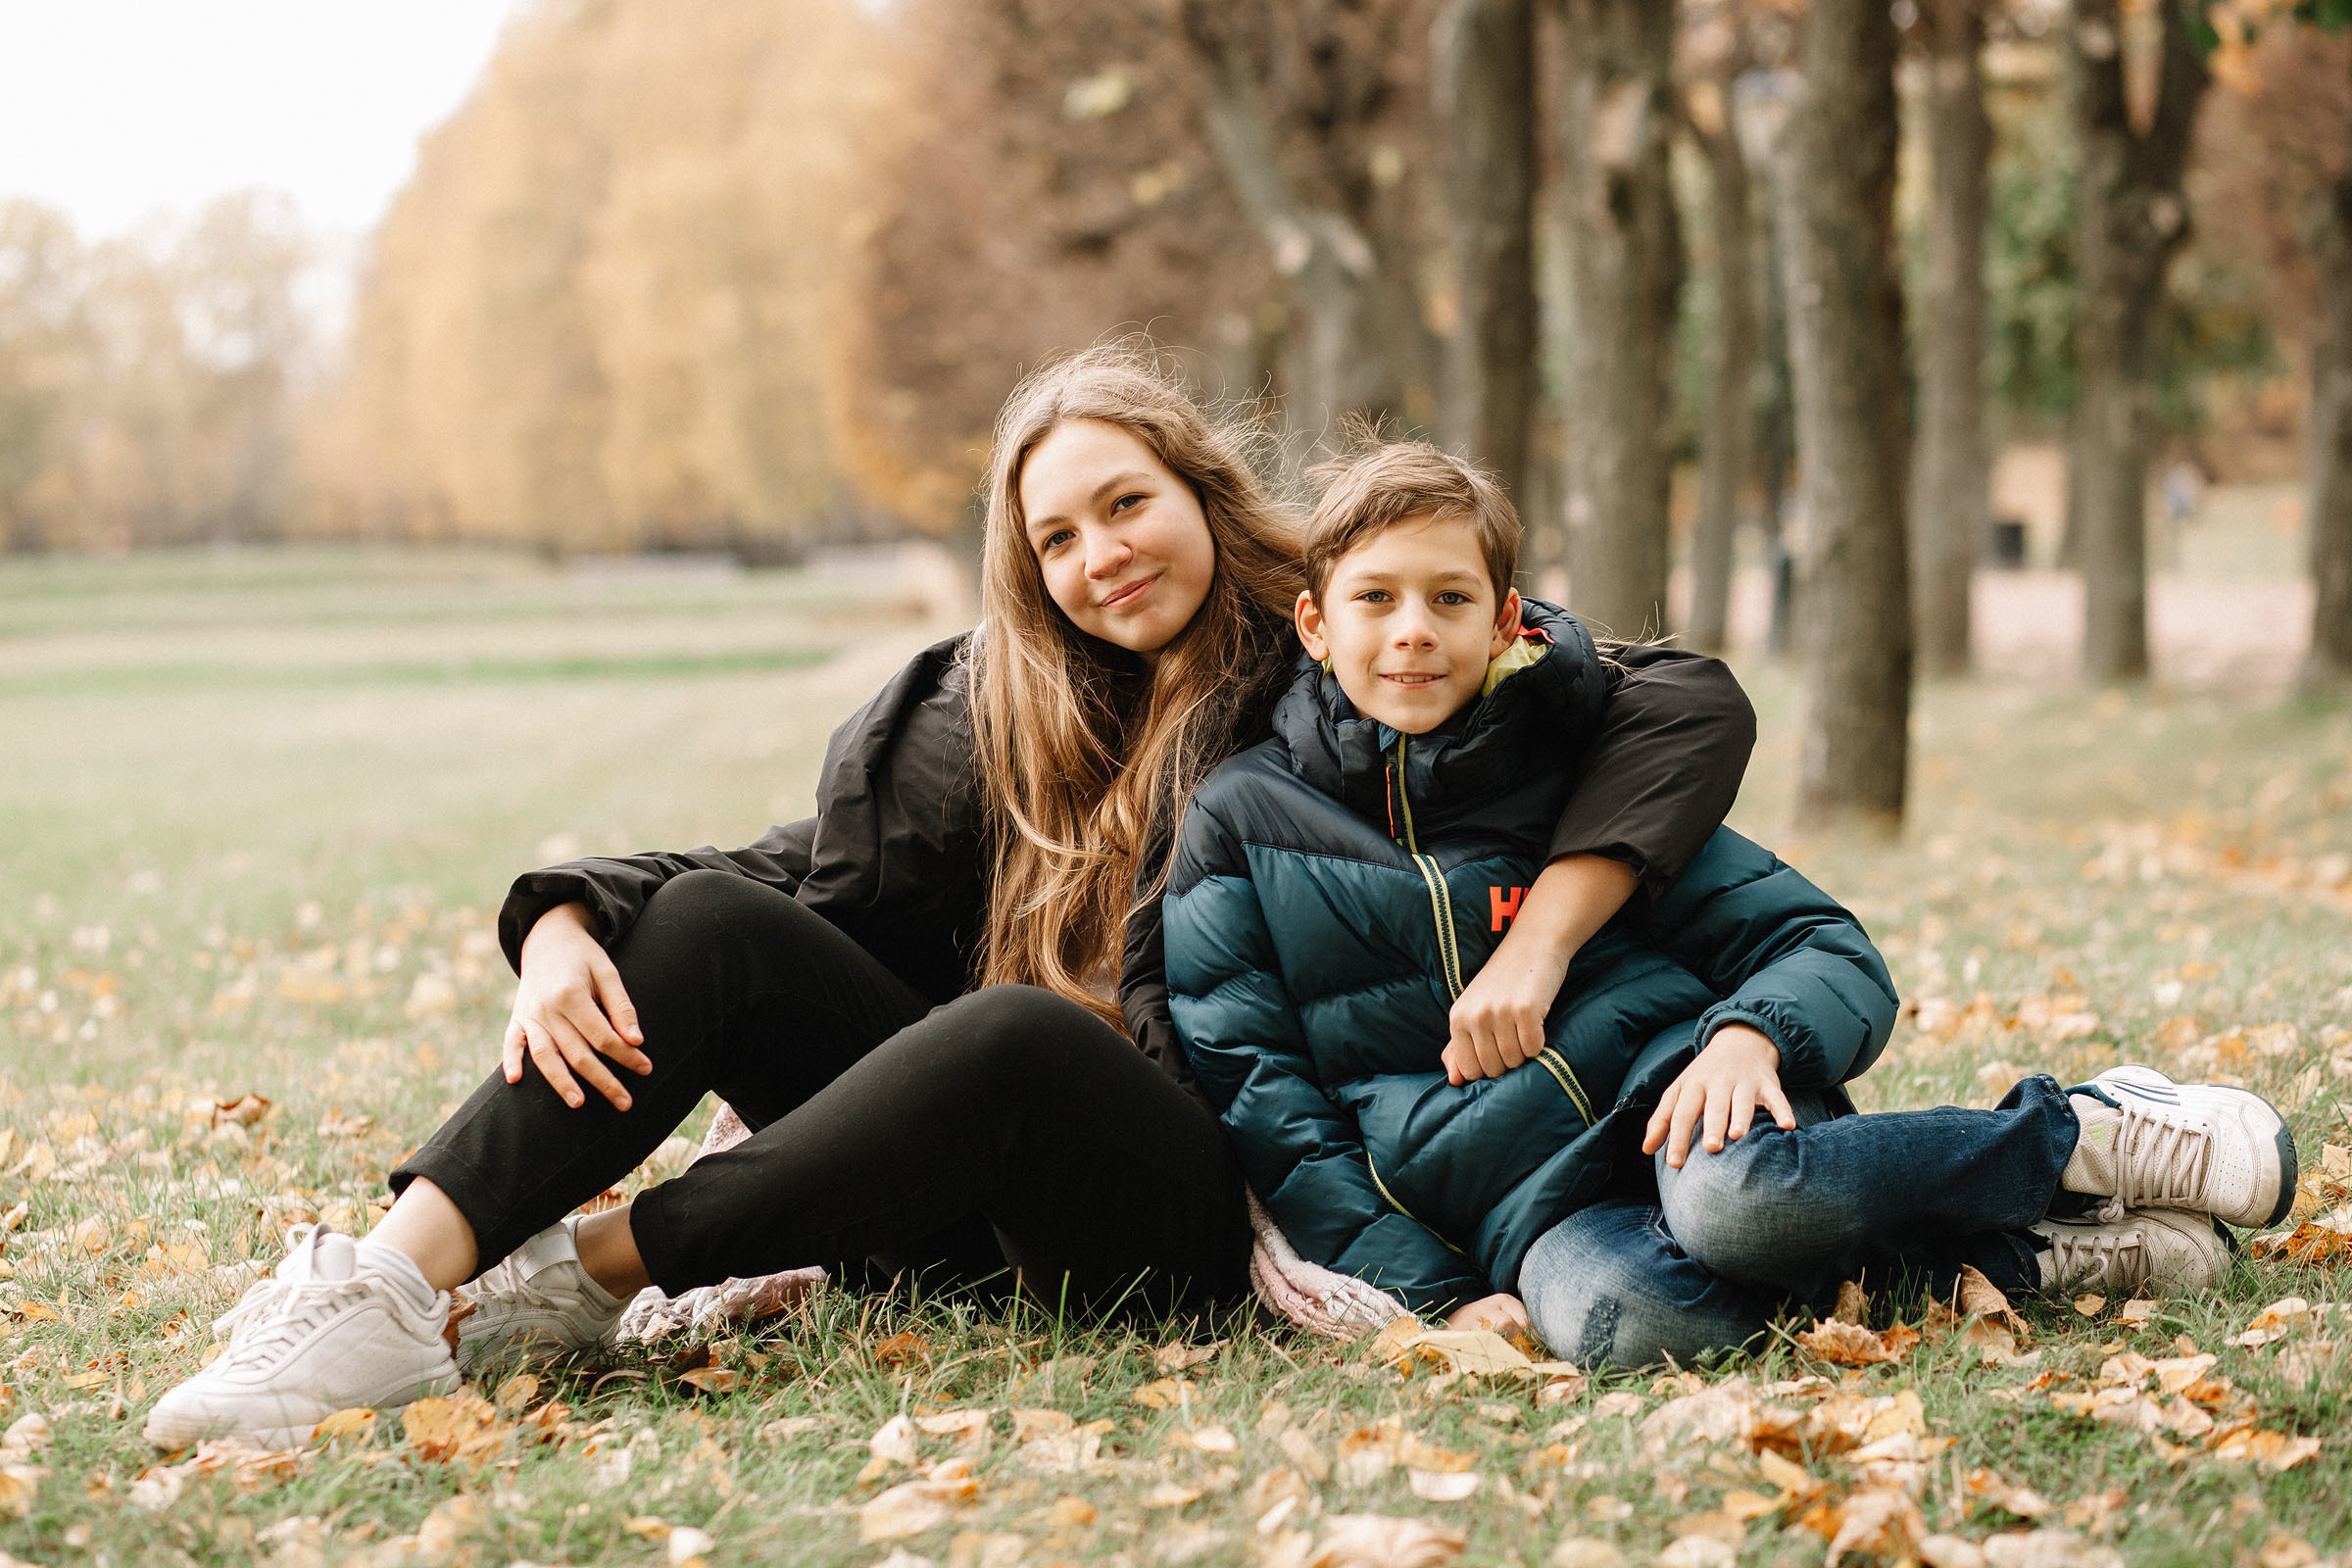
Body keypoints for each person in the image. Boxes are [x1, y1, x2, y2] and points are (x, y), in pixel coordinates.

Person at [143, 343, 1761, 1449]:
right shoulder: (992, 716)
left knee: (1016, 1036)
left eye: (1127, 503)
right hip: (949, 1187)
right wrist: (560, 919)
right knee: (703, 928)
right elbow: (769, 880)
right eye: (1057, 537)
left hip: (1176, 1204)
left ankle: (582, 1271)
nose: (1101, 555)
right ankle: (389, 1284)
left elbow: (1673, 699)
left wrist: (1550, 931)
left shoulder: (1337, 655)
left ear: (1201, 490)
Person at [1161, 440, 2298, 1363]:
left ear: (1504, 621)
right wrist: (1438, 1293)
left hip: (1698, 1103)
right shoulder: (1240, 822)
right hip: (1528, 1212)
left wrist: (1750, 1034)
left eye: (1448, 597)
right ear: (1317, 624)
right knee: (1626, 1322)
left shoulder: (1582, 774)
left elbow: (1826, 946)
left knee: (1738, 1206)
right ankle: (2017, 1257)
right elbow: (1274, 1110)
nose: (1412, 628)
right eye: (1376, 598)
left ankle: (2078, 1134)